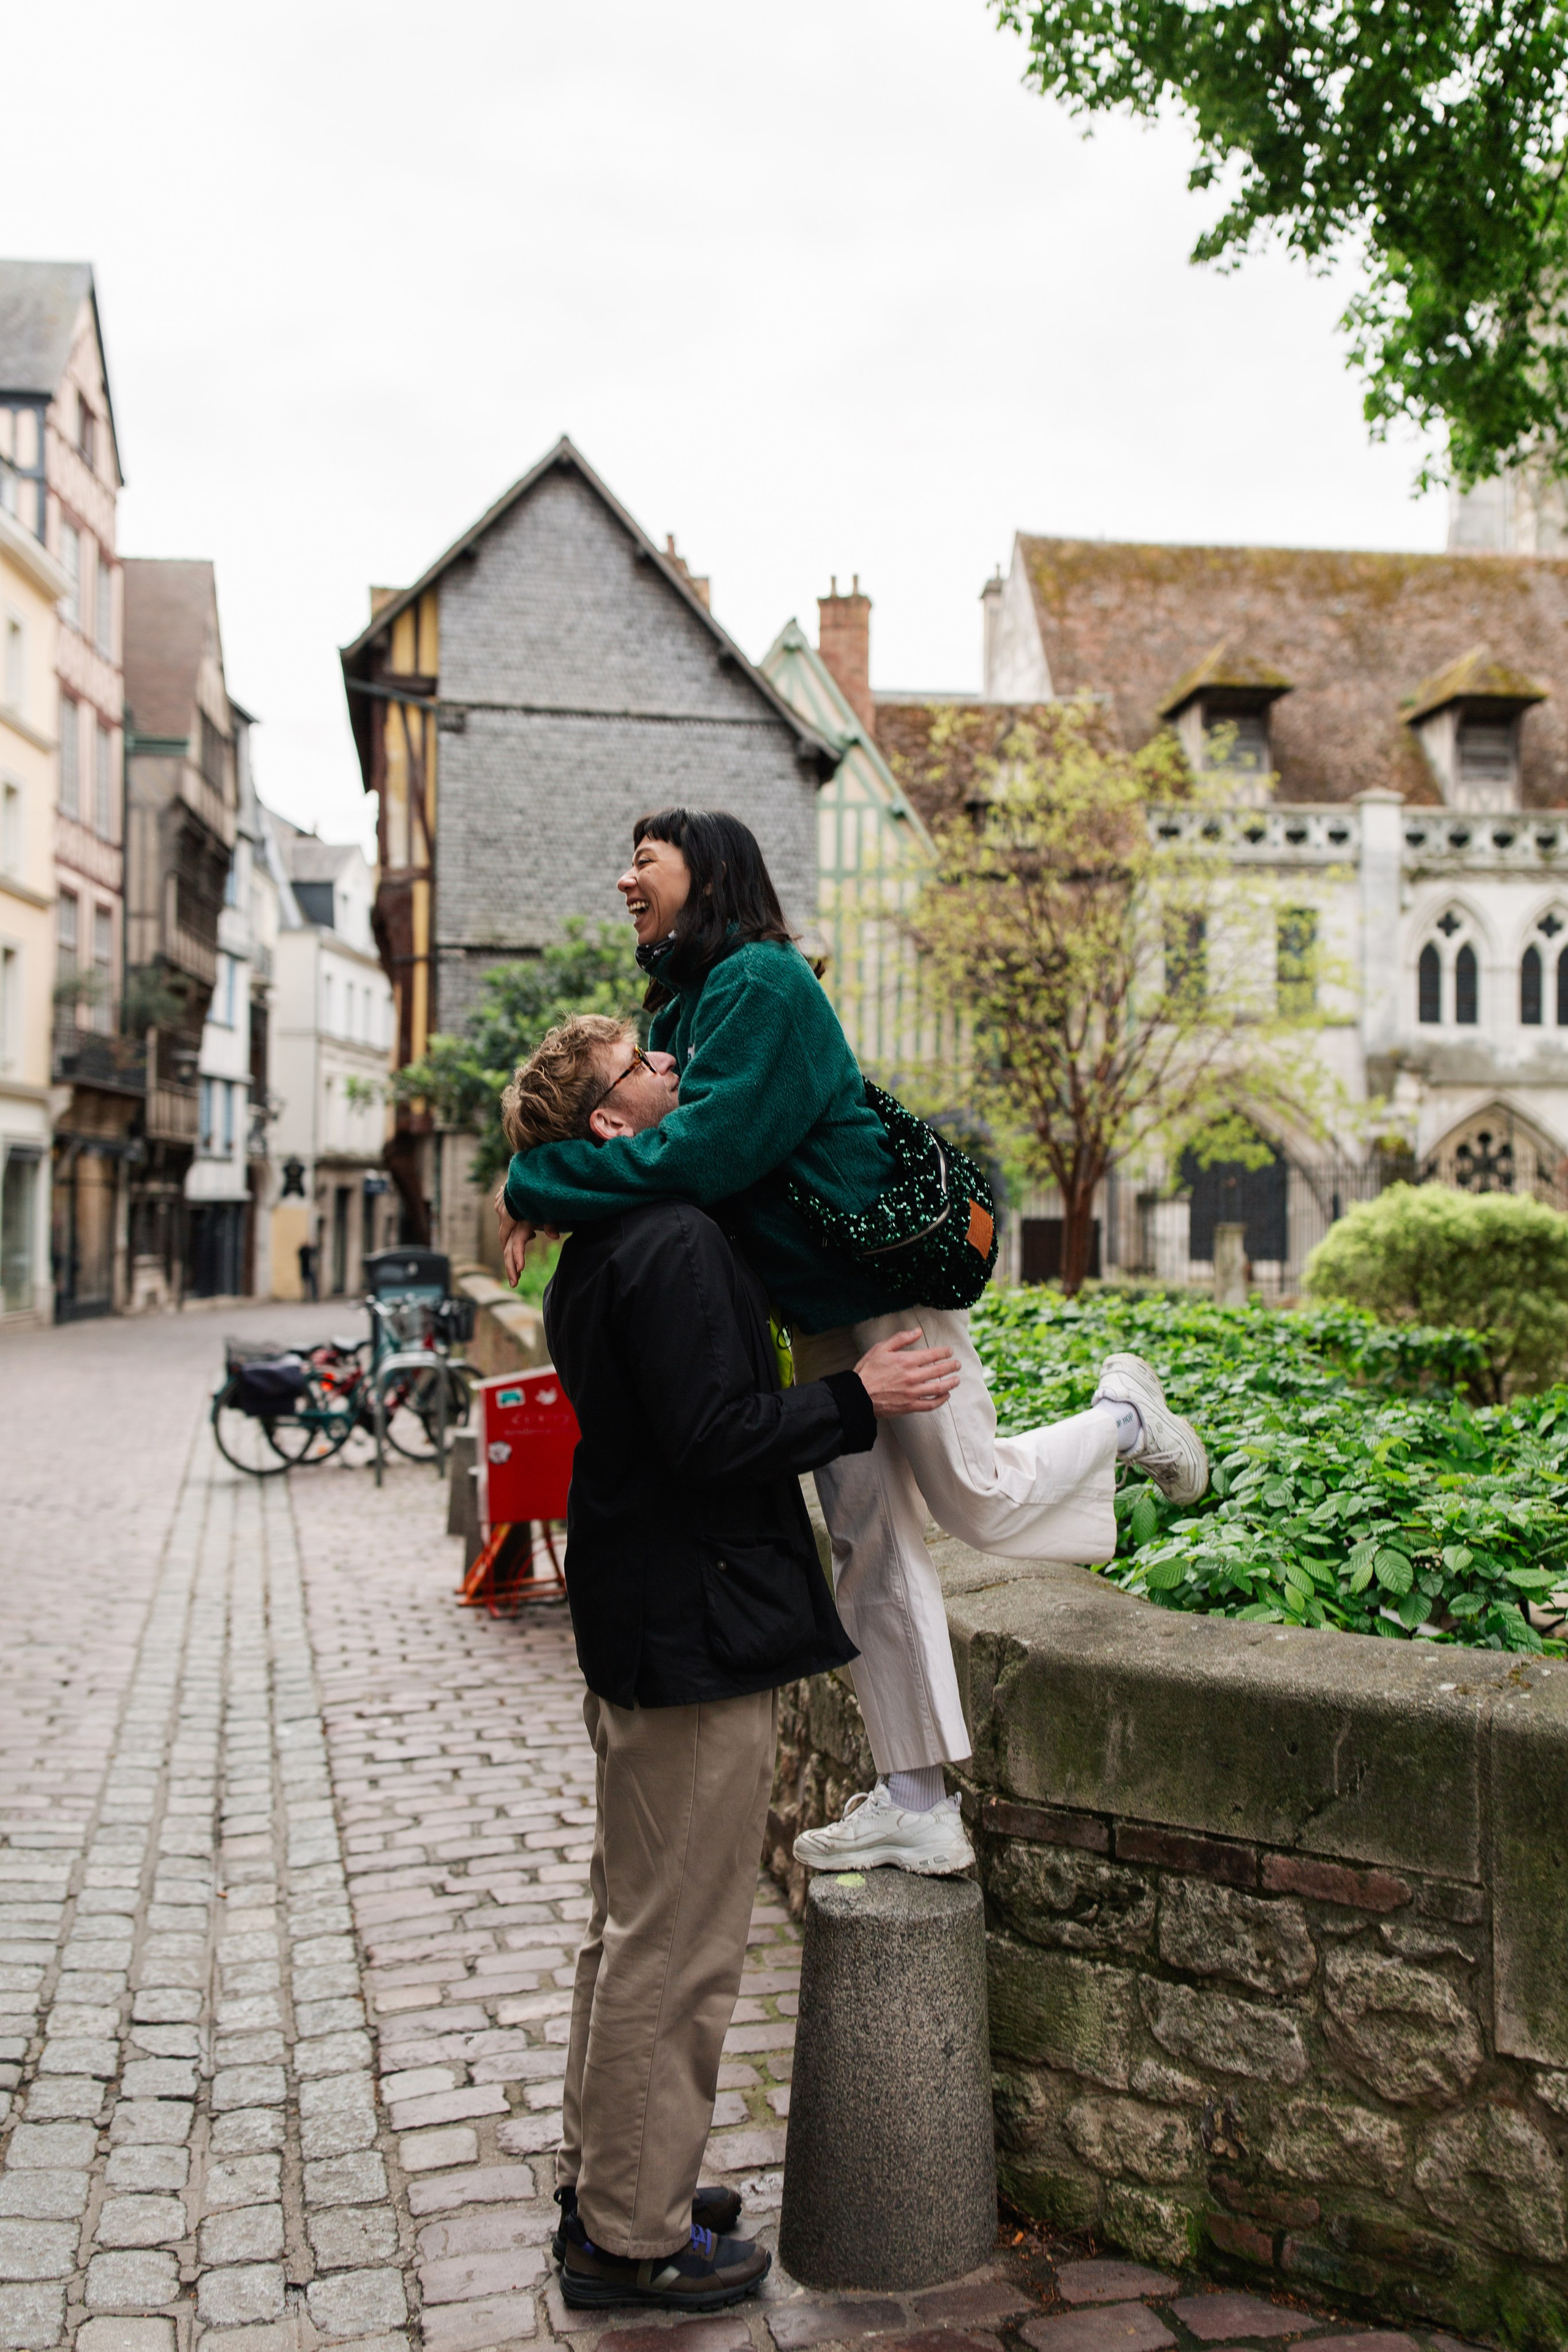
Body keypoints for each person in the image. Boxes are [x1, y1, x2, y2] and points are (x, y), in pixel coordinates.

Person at [499, 808, 1206, 1877]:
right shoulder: (687, 1002)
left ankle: (1124, 1418)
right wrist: (557, 1189)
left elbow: (700, 1156)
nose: (624, 882)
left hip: (878, 1285)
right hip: (819, 1312)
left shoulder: (762, 984)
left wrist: (537, 1179)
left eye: (644, 861)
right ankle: (918, 1800)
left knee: (976, 1498)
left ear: (709, 871)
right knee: (868, 1538)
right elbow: (648, 1155)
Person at [508, 1012, 961, 2312]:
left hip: (643, 1618)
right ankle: (631, 2240)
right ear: (611, 1120)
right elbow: (712, 1436)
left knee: (628, 1926)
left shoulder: (607, 1239)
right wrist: (858, 1397)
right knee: (679, 1947)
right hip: (692, 1631)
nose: (671, 1065)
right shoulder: (668, 1239)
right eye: (644, 1064)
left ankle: (611, 2181)